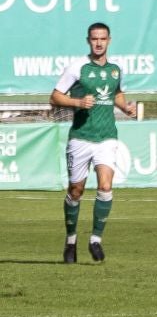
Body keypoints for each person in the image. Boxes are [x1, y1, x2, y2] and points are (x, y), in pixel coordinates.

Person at [48, 22, 135, 264]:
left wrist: (125, 107)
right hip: (81, 138)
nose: (99, 43)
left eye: (103, 39)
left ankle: (95, 240)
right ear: (88, 40)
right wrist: (77, 103)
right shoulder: (78, 68)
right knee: (76, 191)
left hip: (107, 136)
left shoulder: (116, 69)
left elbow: (116, 93)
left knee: (105, 186)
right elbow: (54, 97)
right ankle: (71, 240)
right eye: (94, 39)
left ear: (109, 40)